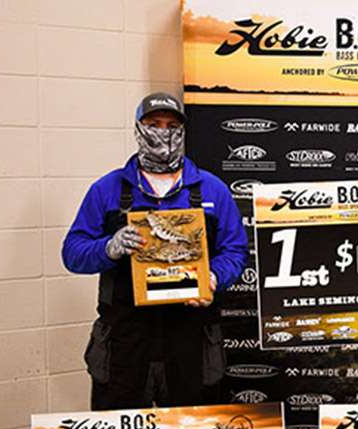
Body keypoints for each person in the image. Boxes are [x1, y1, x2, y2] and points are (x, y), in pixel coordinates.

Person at [62, 92, 248, 410]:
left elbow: (235, 251)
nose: (163, 132)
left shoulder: (212, 189)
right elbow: (72, 252)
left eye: (172, 125)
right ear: (139, 128)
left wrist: (214, 277)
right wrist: (108, 247)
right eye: (154, 124)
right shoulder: (107, 189)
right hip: (124, 342)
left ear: (182, 130)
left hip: (192, 340)